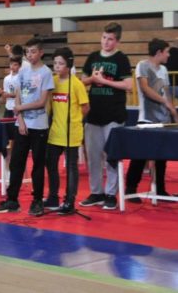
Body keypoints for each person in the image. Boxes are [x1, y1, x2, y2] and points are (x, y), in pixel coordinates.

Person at [0, 37, 54, 216]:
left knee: (38, 164)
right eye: (28, 52)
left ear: (41, 52)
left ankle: (37, 200)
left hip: (39, 126)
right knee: (16, 162)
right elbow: (18, 95)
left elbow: (41, 102)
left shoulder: (46, 73)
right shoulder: (23, 71)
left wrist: (20, 108)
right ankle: (12, 200)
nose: (30, 55)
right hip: (22, 125)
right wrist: (19, 119)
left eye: (33, 51)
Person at [79, 22, 132, 211]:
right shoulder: (93, 57)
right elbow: (82, 82)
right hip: (93, 114)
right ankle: (96, 192)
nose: (106, 42)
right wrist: (93, 79)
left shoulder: (121, 59)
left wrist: (104, 81)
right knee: (93, 156)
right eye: (104, 38)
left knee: (111, 156)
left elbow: (128, 85)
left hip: (114, 114)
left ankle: (111, 194)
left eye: (110, 39)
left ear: (117, 41)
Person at [125, 38, 178, 201]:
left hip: (163, 119)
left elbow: (166, 92)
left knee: (162, 158)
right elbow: (145, 88)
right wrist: (165, 102)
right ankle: (130, 189)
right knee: (140, 156)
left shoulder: (164, 69)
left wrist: (172, 111)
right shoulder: (143, 65)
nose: (169, 55)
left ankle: (160, 189)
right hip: (147, 119)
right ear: (159, 52)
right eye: (167, 52)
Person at [45, 47, 89, 215]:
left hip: (72, 133)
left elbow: (85, 107)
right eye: (55, 63)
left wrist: (76, 120)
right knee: (51, 164)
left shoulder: (76, 84)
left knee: (71, 168)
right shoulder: (52, 82)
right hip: (55, 132)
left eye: (61, 63)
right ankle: (53, 197)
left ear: (69, 64)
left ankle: (69, 201)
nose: (57, 66)